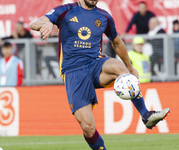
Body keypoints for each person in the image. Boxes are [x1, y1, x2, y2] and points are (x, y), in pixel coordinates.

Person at [30, 0, 170, 149]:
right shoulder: (65, 10)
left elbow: (116, 42)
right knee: (88, 127)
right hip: (73, 71)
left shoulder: (104, 17)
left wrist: (130, 68)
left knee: (118, 67)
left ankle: (146, 115)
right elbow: (34, 23)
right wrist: (48, 24)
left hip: (95, 64)